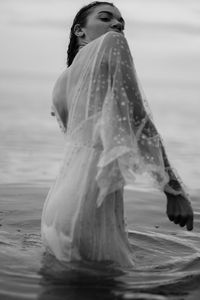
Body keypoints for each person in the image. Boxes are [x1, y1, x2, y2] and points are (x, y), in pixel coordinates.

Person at [41, 1, 193, 267]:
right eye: (106, 18)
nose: (117, 25)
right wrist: (174, 190)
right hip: (90, 200)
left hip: (57, 205)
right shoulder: (113, 43)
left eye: (121, 22)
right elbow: (137, 118)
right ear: (80, 30)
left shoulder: (61, 81)